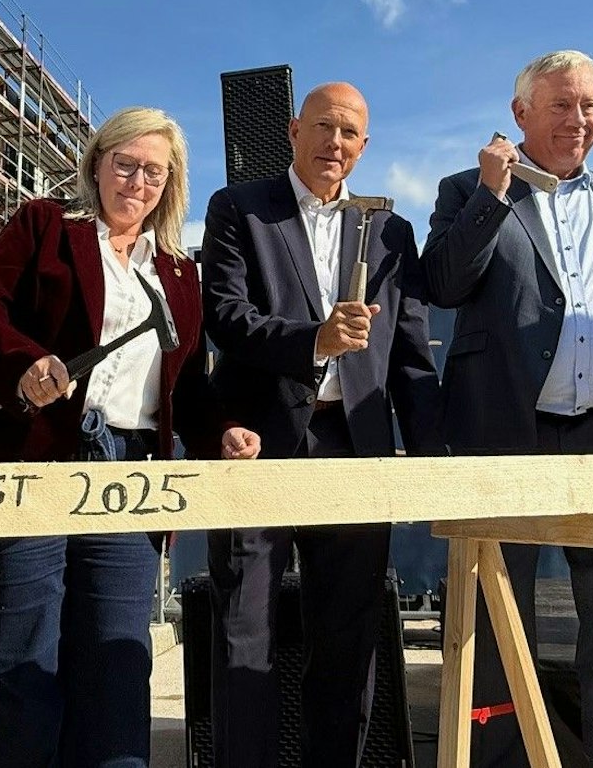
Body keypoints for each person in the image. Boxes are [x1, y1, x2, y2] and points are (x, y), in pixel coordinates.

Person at [420, 49, 593, 768]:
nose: (578, 121)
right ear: (521, 114)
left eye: (589, 106)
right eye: (562, 105)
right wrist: (490, 194)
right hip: (505, 434)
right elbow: (441, 285)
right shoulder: (466, 191)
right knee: (492, 628)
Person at [0, 106, 208, 768]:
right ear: (97, 164)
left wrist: (227, 432)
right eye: (125, 163)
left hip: (131, 473)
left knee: (119, 665)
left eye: (154, 171)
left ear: (169, 184)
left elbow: (187, 385)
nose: (137, 181)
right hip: (31, 458)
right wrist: (22, 363)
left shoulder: (179, 273)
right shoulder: (44, 226)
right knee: (25, 662)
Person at [200, 81, 441, 768]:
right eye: (325, 127)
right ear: (293, 130)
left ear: (365, 148)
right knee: (246, 630)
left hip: (356, 449)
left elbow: (412, 353)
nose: (336, 144)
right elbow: (224, 314)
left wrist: (433, 460)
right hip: (258, 446)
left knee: (349, 634)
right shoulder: (239, 209)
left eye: (351, 134)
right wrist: (315, 341)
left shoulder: (391, 232)